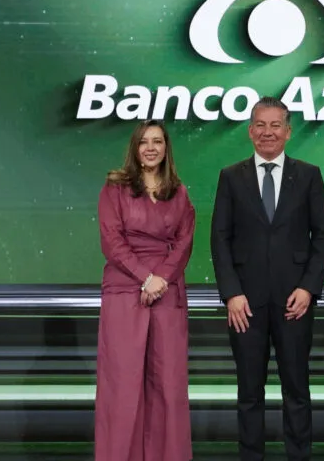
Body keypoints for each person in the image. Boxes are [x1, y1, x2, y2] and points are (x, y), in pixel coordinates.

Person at [210, 97, 324, 461]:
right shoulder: (230, 176)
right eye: (260, 125)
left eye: (275, 125)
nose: (268, 132)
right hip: (245, 304)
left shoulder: (308, 175)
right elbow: (219, 239)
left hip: (295, 301)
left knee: (297, 390)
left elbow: (322, 237)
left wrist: (308, 288)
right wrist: (231, 294)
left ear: (288, 132)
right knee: (250, 392)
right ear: (250, 131)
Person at [94, 120, 195, 461]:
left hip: (167, 291)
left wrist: (161, 278)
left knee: (167, 384)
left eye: (157, 141)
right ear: (135, 149)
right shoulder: (115, 188)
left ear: (166, 148)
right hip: (125, 290)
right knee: (123, 384)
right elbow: (112, 241)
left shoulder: (179, 192)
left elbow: (184, 242)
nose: (151, 148)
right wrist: (144, 277)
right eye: (144, 142)